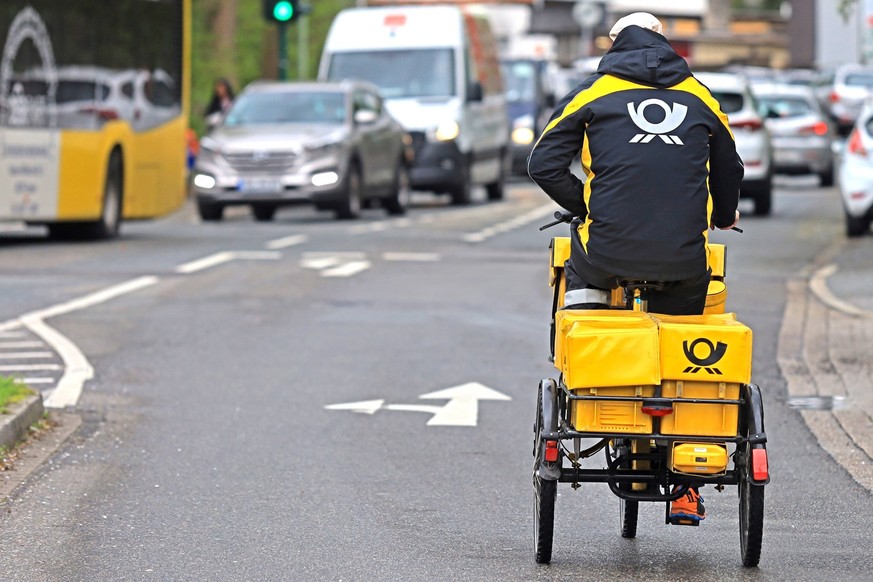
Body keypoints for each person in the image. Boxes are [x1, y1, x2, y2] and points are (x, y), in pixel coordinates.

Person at [527, 12, 744, 523]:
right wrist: (723, 214)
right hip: (683, 257)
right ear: (666, 43)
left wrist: (584, 207)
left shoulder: (593, 91)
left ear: (615, 43)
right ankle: (689, 484)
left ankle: (591, 392)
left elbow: (542, 162)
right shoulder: (699, 93)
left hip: (606, 253)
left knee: (584, 279)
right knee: (686, 335)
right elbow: (730, 164)